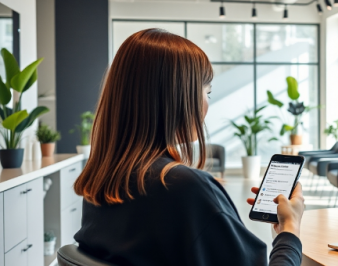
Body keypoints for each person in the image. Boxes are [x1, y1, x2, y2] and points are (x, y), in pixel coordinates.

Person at [73, 28, 304, 266]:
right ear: (178, 96)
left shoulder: (100, 185)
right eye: (207, 93)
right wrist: (289, 230)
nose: (206, 104)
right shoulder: (185, 189)